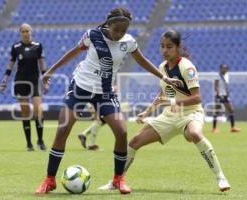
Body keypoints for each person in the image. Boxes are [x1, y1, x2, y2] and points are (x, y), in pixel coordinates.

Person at [35, 7, 182, 195]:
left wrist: (165, 77)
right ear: (108, 24)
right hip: (80, 88)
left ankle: (119, 179)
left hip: (105, 93)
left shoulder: (128, 42)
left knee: (121, 131)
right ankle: (49, 180)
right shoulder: (92, 35)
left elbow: (142, 60)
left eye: (124, 30)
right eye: (116, 30)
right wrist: (50, 71)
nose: (120, 34)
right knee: (63, 129)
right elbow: (73, 52)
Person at [99, 29, 231, 192]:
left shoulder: (187, 67)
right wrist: (147, 112)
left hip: (191, 113)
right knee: (134, 142)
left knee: (195, 134)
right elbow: (164, 93)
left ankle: (221, 177)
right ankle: (116, 182)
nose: (164, 51)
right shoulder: (162, 67)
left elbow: (197, 98)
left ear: (177, 47)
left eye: (169, 47)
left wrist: (173, 101)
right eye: (162, 46)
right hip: (169, 115)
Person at [0, 23, 48, 151]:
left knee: (38, 110)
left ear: (31, 32)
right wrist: (4, 80)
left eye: (28, 31)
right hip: (21, 82)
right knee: (25, 112)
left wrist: (46, 80)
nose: (26, 33)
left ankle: (40, 140)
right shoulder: (16, 47)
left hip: (34, 81)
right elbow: (10, 65)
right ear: (20, 33)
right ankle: (29, 143)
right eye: (23, 31)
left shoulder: (38, 46)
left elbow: (42, 64)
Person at [212, 64, 241, 133]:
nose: (224, 69)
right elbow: (216, 86)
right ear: (220, 68)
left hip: (225, 96)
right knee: (217, 111)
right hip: (219, 96)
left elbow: (226, 85)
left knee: (231, 110)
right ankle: (214, 128)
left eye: (225, 68)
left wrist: (228, 92)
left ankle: (233, 127)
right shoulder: (217, 76)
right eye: (223, 68)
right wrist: (218, 94)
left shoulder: (227, 75)